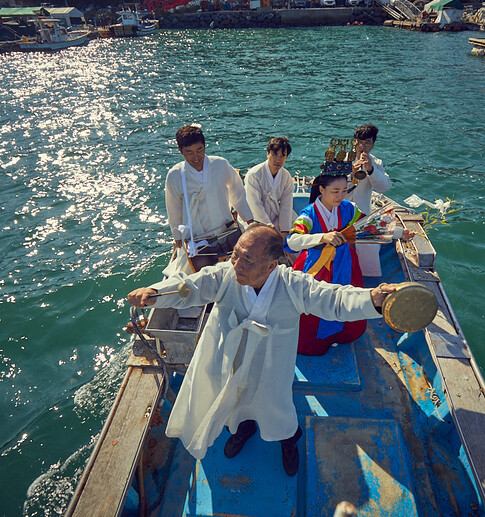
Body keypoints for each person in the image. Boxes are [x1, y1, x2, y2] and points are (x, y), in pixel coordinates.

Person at [128, 224, 403, 475]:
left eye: (247, 259)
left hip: (272, 369)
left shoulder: (294, 286)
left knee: (276, 411)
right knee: (235, 406)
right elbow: (189, 286)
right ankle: (242, 430)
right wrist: (154, 292)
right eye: (235, 254)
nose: (236, 264)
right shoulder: (225, 275)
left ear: (272, 265)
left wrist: (372, 298)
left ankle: (288, 441)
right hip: (232, 363)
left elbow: (334, 299)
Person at [284, 162, 368, 356]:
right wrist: (322, 237)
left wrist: (398, 233)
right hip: (316, 266)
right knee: (316, 304)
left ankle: (340, 335)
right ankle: (315, 343)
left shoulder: (348, 208)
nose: (340, 196)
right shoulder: (309, 214)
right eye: (335, 191)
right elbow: (291, 241)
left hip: (345, 263)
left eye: (344, 191)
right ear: (321, 189)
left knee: (345, 298)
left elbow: (369, 224)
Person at [164, 124, 254, 270]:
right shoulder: (175, 175)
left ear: (205, 146)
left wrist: (247, 216)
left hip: (225, 229)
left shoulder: (220, 164)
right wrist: (177, 235)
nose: (196, 157)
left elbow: (237, 190)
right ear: (181, 152)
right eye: (189, 152)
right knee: (201, 277)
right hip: (196, 236)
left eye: (199, 150)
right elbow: (173, 207)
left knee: (237, 269)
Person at [346, 124, 392, 277]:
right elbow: (327, 183)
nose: (362, 146)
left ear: (372, 144)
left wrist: (371, 170)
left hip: (361, 214)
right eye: (359, 142)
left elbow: (384, 188)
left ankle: (367, 279)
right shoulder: (342, 159)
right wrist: (351, 172)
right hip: (338, 211)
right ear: (354, 142)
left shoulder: (376, 163)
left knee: (371, 245)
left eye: (367, 143)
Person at [244, 136, 295, 237]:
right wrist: (268, 226)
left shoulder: (286, 176)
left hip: (276, 215)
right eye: (275, 154)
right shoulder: (254, 175)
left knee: (294, 236)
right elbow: (255, 205)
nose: (278, 159)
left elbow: (286, 205)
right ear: (267, 154)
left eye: (282, 156)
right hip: (255, 219)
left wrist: (284, 230)